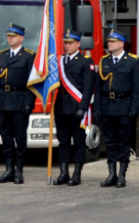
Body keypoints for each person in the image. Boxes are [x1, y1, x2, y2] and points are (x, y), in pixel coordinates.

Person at [94, 30, 139, 188]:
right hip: (107, 106)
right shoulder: (104, 61)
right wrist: (97, 107)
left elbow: (138, 88)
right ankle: (112, 174)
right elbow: (98, 88)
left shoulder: (132, 61)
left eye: (113, 41)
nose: (110, 43)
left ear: (121, 44)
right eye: (109, 41)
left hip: (124, 106)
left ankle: (122, 174)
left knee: (123, 142)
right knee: (110, 142)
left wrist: (134, 108)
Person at [0, 23, 36, 185]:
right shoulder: (2, 55)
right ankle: (9, 170)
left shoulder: (29, 56)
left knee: (20, 138)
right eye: (8, 36)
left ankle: (19, 171)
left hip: (19, 100)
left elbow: (32, 82)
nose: (10, 38)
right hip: (4, 101)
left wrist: (29, 103)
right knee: (6, 138)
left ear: (21, 38)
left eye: (14, 36)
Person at [52, 30, 95, 187]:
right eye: (66, 43)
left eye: (71, 43)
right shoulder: (59, 61)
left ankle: (77, 173)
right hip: (61, 106)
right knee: (63, 142)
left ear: (78, 44)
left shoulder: (85, 62)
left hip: (77, 108)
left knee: (78, 142)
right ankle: (64, 173)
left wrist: (82, 108)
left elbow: (88, 88)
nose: (67, 45)